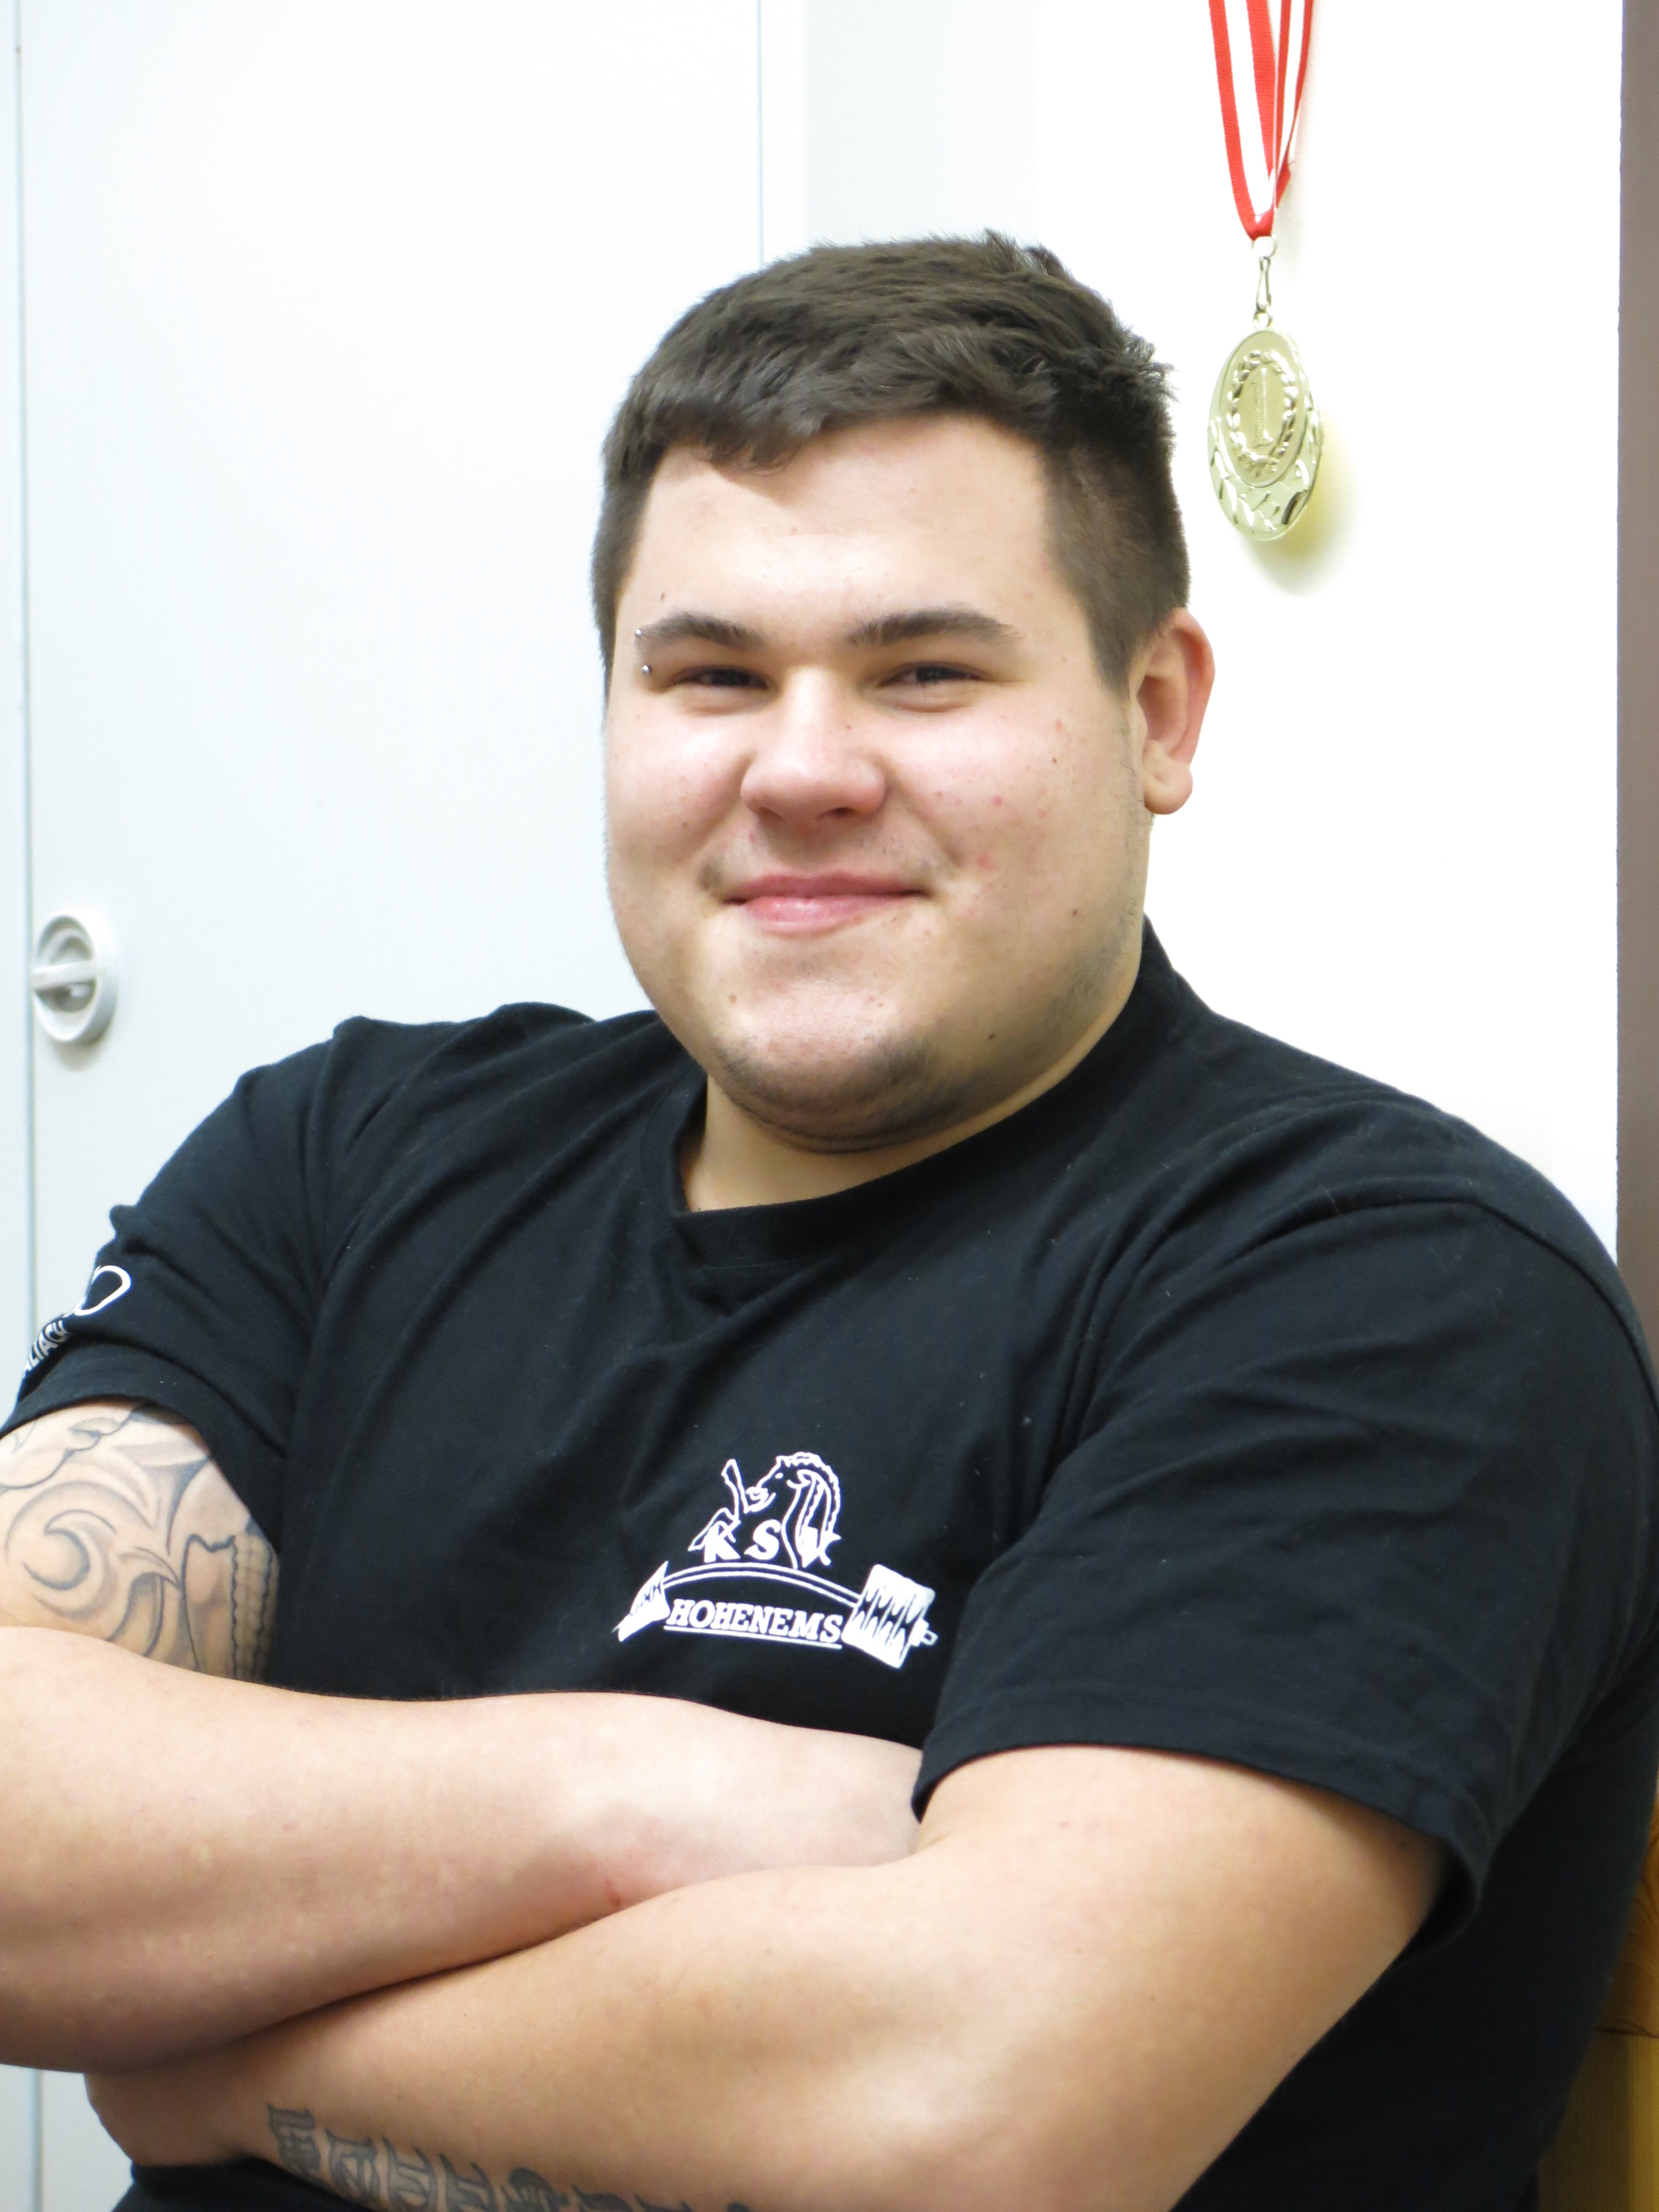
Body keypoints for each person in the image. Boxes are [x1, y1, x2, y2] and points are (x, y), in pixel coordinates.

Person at [2, 235, 1656, 2212]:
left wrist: (218, 2068)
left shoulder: (1390, 1285)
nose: (801, 771)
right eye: (710, 675)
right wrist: (641, 1793)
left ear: (1157, 708)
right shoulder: (347, 1156)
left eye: (923, 672)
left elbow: (973, 2115)